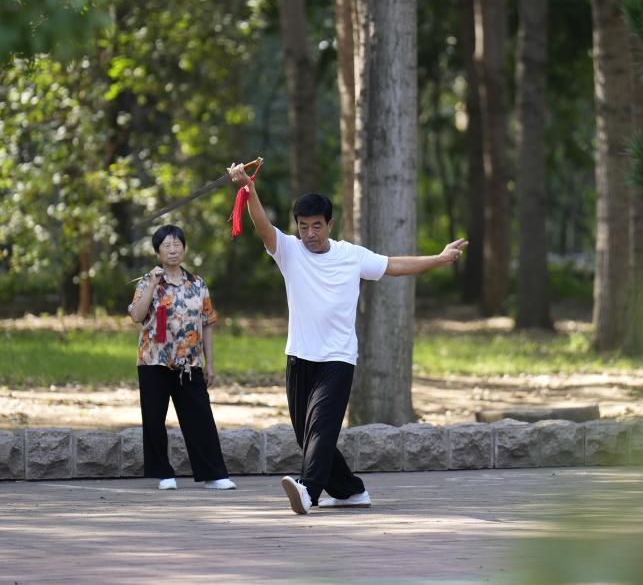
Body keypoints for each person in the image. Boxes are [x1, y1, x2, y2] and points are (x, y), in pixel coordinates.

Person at [227, 163, 467, 515]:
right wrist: (249, 189)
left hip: (337, 358)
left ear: (330, 224)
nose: (310, 233)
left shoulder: (351, 256)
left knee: (322, 429)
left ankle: (308, 491)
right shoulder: (289, 252)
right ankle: (350, 490)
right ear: (297, 226)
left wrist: (440, 259)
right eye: (303, 226)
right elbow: (263, 227)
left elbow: (396, 266)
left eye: (316, 226)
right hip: (299, 356)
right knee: (306, 436)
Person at [128, 224, 236, 491]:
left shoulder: (197, 284)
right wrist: (153, 285)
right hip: (154, 361)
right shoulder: (147, 282)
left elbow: (208, 322)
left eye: (178, 245)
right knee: (154, 418)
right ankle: (163, 473)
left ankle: (213, 473)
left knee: (200, 417)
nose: (173, 250)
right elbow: (136, 315)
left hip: (189, 362)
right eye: (167, 245)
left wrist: (210, 362)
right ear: (157, 252)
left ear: (184, 249)